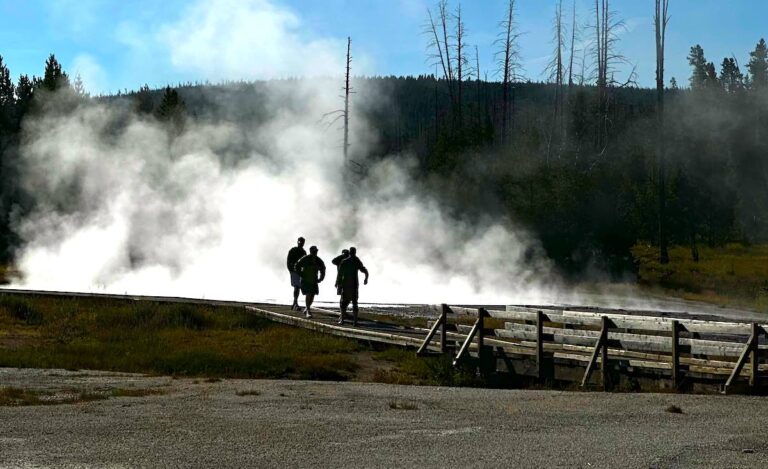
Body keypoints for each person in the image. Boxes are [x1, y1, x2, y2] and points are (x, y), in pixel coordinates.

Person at [337, 247, 369, 326]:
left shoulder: (351, 261)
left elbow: (340, 275)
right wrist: (366, 277)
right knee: (347, 303)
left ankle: (350, 321)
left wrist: (366, 277)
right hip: (349, 284)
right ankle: (348, 320)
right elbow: (340, 274)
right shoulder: (349, 261)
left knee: (349, 303)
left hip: (350, 284)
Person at [294, 246, 326, 318]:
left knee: (313, 295)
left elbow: (323, 268)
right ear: (311, 251)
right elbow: (297, 266)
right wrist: (301, 274)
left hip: (314, 279)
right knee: (309, 293)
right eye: (314, 251)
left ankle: (307, 308)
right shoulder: (305, 258)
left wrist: (321, 278)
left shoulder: (318, 260)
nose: (315, 252)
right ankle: (308, 310)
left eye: (316, 251)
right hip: (306, 279)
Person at [286, 237, 306, 311]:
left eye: (302, 242)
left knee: (298, 287)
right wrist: (290, 270)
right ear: (297, 242)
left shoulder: (303, 252)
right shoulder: (293, 250)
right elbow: (288, 261)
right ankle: (295, 303)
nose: (301, 243)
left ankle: (295, 303)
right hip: (294, 271)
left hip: (300, 271)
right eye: (300, 241)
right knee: (296, 287)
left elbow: (305, 263)